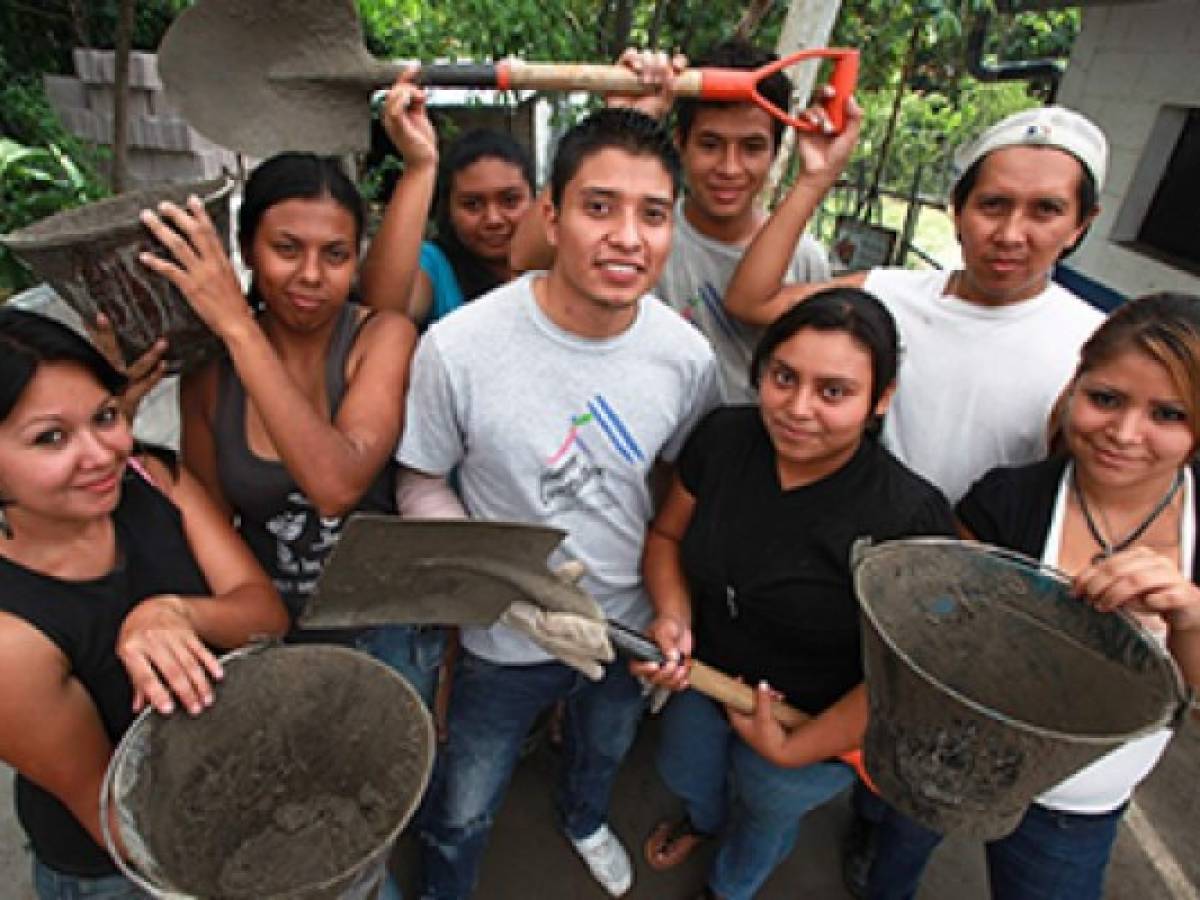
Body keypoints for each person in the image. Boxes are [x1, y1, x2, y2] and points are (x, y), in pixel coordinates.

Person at [722, 106, 1110, 893]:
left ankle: (878, 836)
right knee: (850, 720)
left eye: (1046, 211)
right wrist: (817, 176)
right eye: (993, 204)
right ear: (956, 209)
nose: (1011, 232)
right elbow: (752, 299)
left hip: (974, 604)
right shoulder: (895, 293)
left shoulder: (1094, 344)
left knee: (922, 778)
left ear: (1081, 224)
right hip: (849, 570)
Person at [398, 107, 720, 899]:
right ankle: (449, 880)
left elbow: (676, 488)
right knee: (468, 792)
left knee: (604, 745)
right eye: (599, 206)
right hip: (505, 629)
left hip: (623, 620)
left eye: (652, 214)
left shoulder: (686, 357)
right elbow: (419, 479)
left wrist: (668, 606)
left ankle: (582, 817)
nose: (626, 236)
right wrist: (493, 581)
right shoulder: (460, 346)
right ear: (551, 213)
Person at [867, 292, 1200, 900]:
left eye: (1169, 415)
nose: (1125, 434)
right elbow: (935, 634)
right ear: (1075, 388)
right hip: (951, 755)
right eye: (1106, 399)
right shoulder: (1007, 501)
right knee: (892, 861)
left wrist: (1188, 617)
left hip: (1079, 803)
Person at [634, 288, 955, 900]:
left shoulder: (908, 516)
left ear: (880, 400)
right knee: (685, 769)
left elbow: (909, 674)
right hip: (705, 679)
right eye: (783, 377)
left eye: (834, 391)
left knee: (765, 808)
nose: (797, 408)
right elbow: (667, 535)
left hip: (815, 720)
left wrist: (793, 750)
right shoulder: (725, 438)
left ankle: (730, 885)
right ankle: (703, 823)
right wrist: (673, 615)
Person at [137, 75, 442, 703]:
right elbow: (209, 529)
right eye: (285, 249)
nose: (310, 275)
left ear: (357, 259)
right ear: (247, 250)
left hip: (385, 631)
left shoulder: (380, 339)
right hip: (273, 634)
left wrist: (234, 325)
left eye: (334, 255)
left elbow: (336, 486)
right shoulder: (211, 378)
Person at [0, 308, 289, 899]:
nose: (102, 454)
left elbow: (264, 614)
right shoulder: (10, 642)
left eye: (105, 416)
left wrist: (174, 612)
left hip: (236, 791)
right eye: (50, 437)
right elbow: (117, 823)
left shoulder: (149, 478)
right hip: (123, 869)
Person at [513, 39, 842, 403]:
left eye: (751, 147)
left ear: (776, 153)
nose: (729, 168)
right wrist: (628, 120)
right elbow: (526, 257)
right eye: (710, 144)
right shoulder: (641, 237)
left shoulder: (804, 259)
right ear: (680, 142)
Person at [362, 128, 535, 328]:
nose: (493, 219)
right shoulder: (434, 265)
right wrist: (420, 166)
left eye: (510, 200)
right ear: (448, 209)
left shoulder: (557, 264)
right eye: (472, 205)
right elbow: (383, 311)